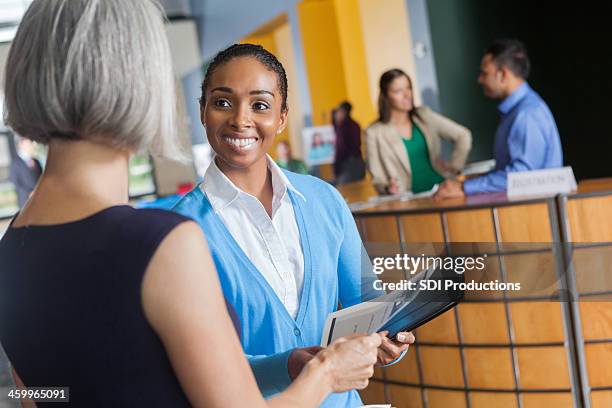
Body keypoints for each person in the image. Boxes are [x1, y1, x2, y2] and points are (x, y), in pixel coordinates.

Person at [0, 1, 382, 407]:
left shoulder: (11, 253)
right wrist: (326, 373)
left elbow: (36, 396)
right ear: (141, 82)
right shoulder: (161, 243)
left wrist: (289, 365)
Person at [172, 43, 415, 407]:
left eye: (260, 105)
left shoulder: (325, 201)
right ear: (203, 111)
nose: (241, 119)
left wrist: (390, 341)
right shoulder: (179, 232)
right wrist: (286, 367)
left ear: (282, 116)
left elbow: (366, 301)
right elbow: (197, 370)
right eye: (223, 102)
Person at [435, 39, 563, 199]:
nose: (480, 80)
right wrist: (469, 180)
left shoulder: (527, 114)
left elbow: (522, 177)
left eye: (484, 73)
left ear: (502, 74)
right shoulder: (516, 111)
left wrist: (465, 187)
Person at [365, 69, 472, 195]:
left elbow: (463, 135)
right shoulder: (374, 133)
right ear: (386, 96)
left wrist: (454, 167)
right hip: (408, 198)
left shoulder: (424, 115)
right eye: (398, 91)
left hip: (442, 190)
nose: (407, 95)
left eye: (408, 88)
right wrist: (388, 188)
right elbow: (378, 179)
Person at [332, 101, 366, 185]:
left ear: (343, 112)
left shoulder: (344, 127)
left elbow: (341, 149)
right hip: (358, 162)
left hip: (350, 164)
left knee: (343, 189)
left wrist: (336, 169)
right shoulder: (354, 124)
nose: (336, 115)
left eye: (338, 112)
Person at [9, 135, 43, 207]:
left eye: (30, 144)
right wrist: (29, 192)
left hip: (40, 197)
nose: (30, 146)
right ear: (21, 145)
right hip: (25, 200)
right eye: (28, 144)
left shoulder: (36, 161)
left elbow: (42, 176)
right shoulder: (15, 163)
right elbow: (15, 181)